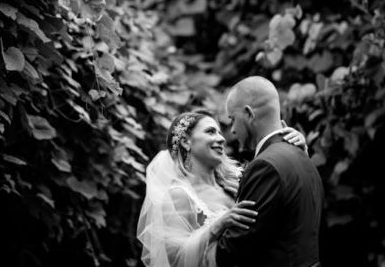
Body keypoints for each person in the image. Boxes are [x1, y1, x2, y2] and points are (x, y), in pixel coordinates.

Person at [137, 108, 308, 267]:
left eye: (219, 132)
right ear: (185, 142)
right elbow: (176, 261)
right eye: (211, 131)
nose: (222, 138)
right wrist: (217, 226)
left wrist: (295, 150)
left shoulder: (240, 178)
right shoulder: (179, 196)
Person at [215, 76, 324, 267]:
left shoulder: (265, 167)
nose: (232, 130)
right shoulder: (302, 156)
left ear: (249, 114)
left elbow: (237, 246)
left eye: (233, 119)